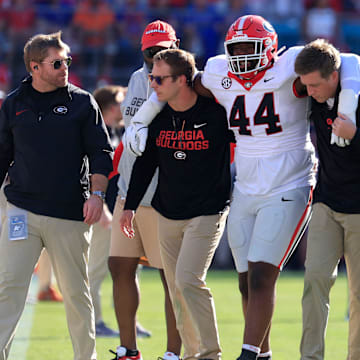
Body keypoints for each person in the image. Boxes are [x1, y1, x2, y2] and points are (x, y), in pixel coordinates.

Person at [123, 15, 359, 360]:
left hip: (289, 181)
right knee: (246, 280)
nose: (243, 56)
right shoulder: (220, 72)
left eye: (251, 48)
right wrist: (143, 119)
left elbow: (349, 61)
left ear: (270, 48)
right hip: (246, 186)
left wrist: (349, 111)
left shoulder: (287, 66)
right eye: (237, 49)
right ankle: (261, 353)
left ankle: (248, 354)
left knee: (263, 275)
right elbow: (179, 83)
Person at [0, 31, 113, 360]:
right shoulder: (13, 104)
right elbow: (3, 154)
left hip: (69, 213)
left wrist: (97, 195)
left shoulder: (82, 102)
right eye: (58, 62)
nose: (65, 67)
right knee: (9, 288)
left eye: (67, 61)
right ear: (35, 67)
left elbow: (100, 154)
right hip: (21, 209)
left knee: (77, 294)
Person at [120, 48, 232, 360]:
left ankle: (210, 354)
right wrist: (129, 207)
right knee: (176, 288)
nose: (152, 83)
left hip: (207, 212)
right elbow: (146, 164)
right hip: (167, 211)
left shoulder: (215, 113)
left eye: (159, 78)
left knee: (187, 280)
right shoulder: (158, 116)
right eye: (151, 76)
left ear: (182, 80)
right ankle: (191, 354)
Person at [108, 20, 182, 360]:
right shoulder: (138, 78)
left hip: (163, 195)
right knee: (119, 266)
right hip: (129, 192)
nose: (156, 56)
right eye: (151, 51)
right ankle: (128, 348)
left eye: (163, 49)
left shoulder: (185, 81)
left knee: (171, 278)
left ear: (176, 46)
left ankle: (172, 352)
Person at [294, 39, 360, 360]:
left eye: (315, 85)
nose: (309, 92)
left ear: (335, 76)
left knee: (359, 295)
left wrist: (356, 135)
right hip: (326, 203)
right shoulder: (317, 95)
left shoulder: (356, 95)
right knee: (314, 281)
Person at [90, 85, 125, 337]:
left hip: (116, 210)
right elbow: (91, 172)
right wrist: (100, 205)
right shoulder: (94, 132)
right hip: (102, 213)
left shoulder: (114, 131)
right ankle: (95, 321)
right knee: (95, 270)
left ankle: (127, 322)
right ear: (110, 107)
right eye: (121, 102)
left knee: (125, 268)